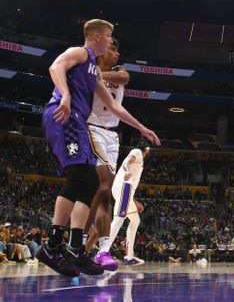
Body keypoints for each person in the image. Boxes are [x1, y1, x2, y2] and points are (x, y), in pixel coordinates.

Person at [36, 19, 160, 278]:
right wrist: (65, 95)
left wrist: (141, 128)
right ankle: (53, 245)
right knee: (81, 176)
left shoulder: (93, 68)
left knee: (90, 180)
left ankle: (74, 247)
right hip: (64, 116)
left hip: (77, 122)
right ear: (95, 36)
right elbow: (55, 66)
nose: (111, 41)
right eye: (108, 36)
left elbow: (115, 107)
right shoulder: (80, 53)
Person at [85, 39, 155, 271]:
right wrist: (127, 187)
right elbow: (128, 170)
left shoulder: (117, 71)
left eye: (118, 49)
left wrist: (98, 74)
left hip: (111, 137)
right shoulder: (137, 152)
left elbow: (124, 78)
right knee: (107, 201)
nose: (116, 53)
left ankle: (98, 249)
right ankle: (98, 248)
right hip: (93, 129)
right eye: (113, 49)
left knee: (129, 217)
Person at [98, 141, 151, 266]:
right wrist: (127, 171)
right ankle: (103, 251)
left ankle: (129, 256)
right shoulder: (137, 151)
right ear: (146, 149)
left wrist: (134, 201)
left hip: (126, 190)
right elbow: (127, 162)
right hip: (124, 186)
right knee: (119, 218)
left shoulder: (139, 159)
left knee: (135, 220)